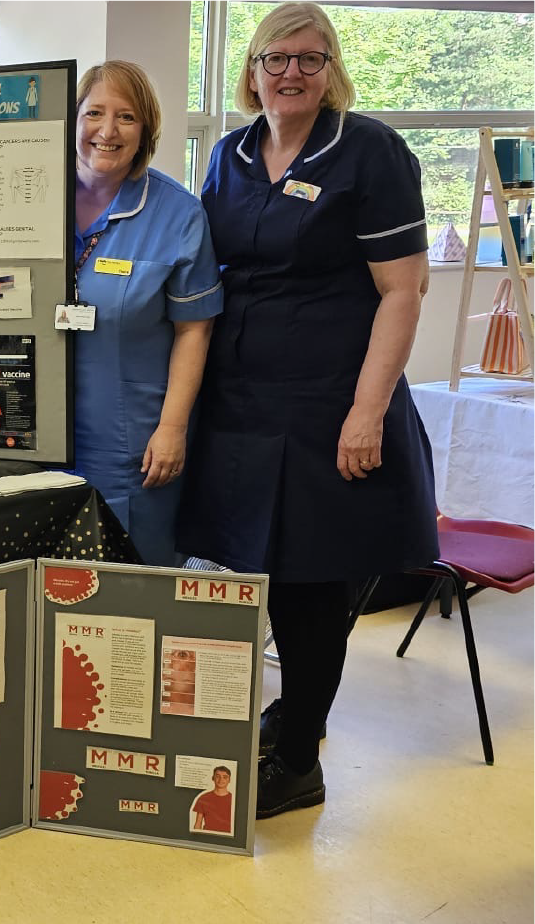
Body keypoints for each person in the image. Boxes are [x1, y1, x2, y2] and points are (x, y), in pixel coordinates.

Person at [177, 2, 438, 819]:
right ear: (251, 71)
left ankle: (298, 763)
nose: (291, 72)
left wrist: (367, 411)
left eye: (309, 58)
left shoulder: (370, 151)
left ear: (332, 71)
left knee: (310, 587)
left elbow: (403, 291)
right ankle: (297, 712)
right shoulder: (228, 155)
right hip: (241, 406)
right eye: (275, 58)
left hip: (330, 406)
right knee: (259, 573)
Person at [71, 60, 222, 567]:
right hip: (31, 435)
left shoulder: (177, 214)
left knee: (133, 580)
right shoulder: (26, 203)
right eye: (94, 113)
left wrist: (173, 428)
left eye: (126, 117)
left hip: (132, 441)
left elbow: (195, 330)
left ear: (146, 131)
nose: (107, 131)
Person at [191, 766, 234, 834]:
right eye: (218, 776)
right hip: (208, 836)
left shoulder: (234, 800)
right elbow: (198, 824)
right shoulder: (203, 798)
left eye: (225, 777)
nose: (221, 780)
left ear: (229, 780)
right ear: (213, 778)